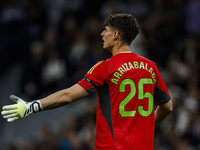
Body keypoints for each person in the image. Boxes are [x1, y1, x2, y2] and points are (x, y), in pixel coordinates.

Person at [1, 13, 173, 150]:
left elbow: (68, 95)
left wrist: (31, 106)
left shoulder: (106, 67)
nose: (102, 34)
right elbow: (167, 106)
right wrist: (147, 123)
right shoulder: (150, 67)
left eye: (105, 30)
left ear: (116, 34)